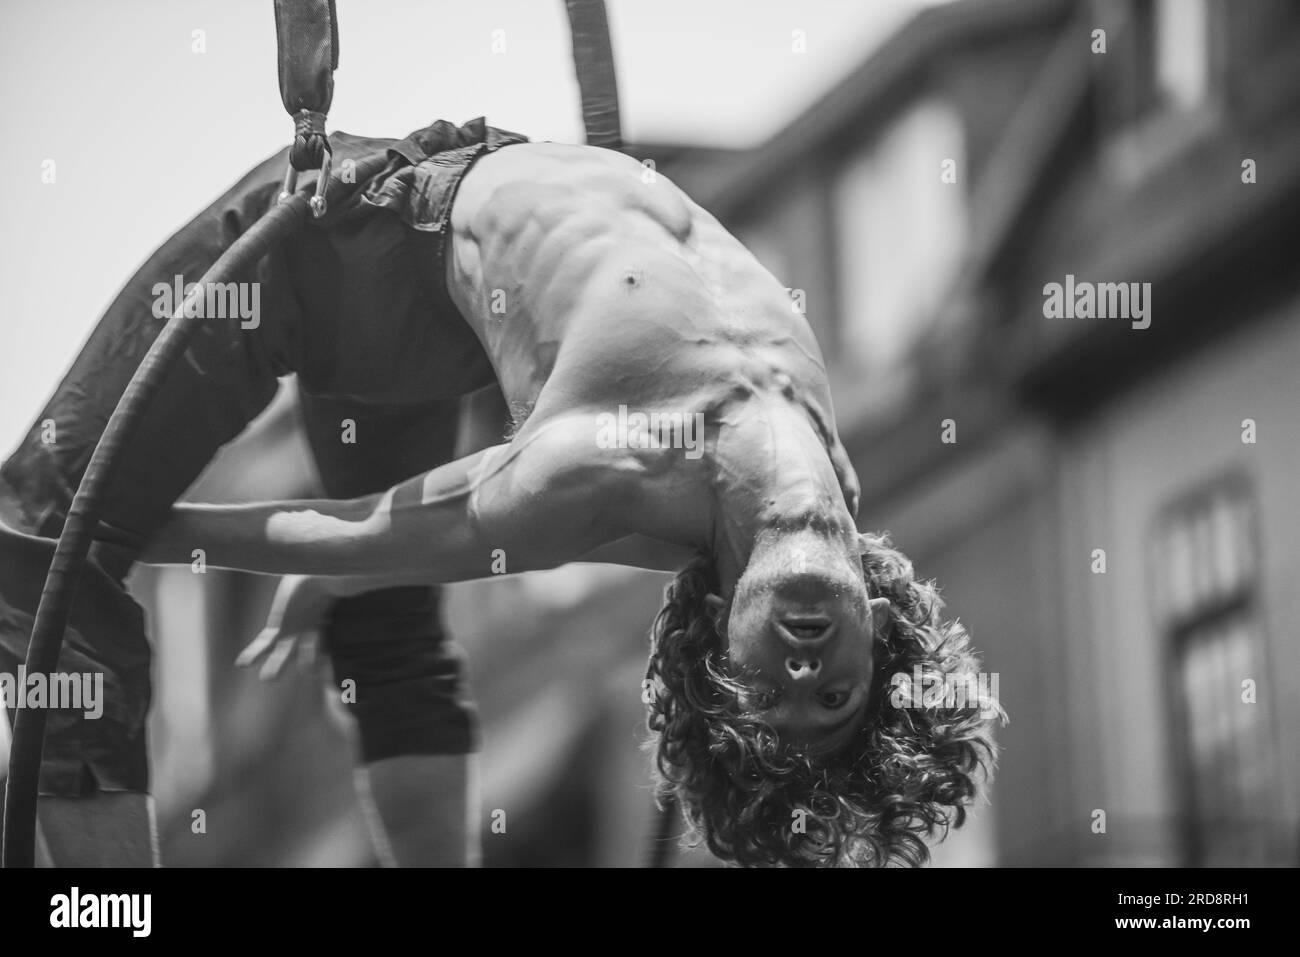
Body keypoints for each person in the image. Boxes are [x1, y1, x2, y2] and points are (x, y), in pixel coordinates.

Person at [2, 117, 999, 868]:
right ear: (877, 624)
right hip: (445, 287)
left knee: (29, 535)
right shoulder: (829, 478)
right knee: (385, 625)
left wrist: (123, 531)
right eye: (834, 692)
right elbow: (433, 526)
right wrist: (348, 570)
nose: (801, 667)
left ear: (724, 654)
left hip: (338, 253)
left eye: (771, 694)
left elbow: (374, 531)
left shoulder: (602, 475)